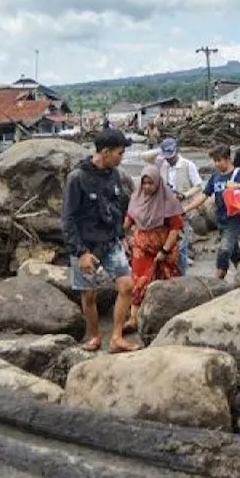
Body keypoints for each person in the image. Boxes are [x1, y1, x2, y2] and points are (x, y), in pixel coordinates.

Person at [61, 127, 140, 353]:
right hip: (86, 247)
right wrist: (80, 252)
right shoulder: (77, 178)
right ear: (105, 152)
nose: (121, 157)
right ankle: (94, 336)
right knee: (89, 295)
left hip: (110, 242)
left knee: (126, 286)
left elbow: (116, 209)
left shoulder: (114, 175)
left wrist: (123, 236)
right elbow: (67, 218)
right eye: (119, 153)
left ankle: (116, 337)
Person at [122, 164, 185, 332]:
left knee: (163, 281)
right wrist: (121, 236)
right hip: (141, 248)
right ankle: (134, 318)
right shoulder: (137, 198)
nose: (147, 187)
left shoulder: (168, 200)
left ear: (158, 183)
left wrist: (164, 251)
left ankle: (163, 318)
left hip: (164, 249)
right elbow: (129, 220)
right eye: (144, 183)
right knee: (138, 280)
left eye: (151, 183)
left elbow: (175, 228)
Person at [186, 145, 240, 281]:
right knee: (234, 251)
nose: (216, 164)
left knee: (224, 251)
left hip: (234, 221)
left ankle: (218, 279)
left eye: (219, 160)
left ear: (227, 159)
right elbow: (204, 195)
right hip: (220, 220)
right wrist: (186, 209)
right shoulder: (215, 177)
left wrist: (238, 185)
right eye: (215, 161)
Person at [154, 137, 203, 274]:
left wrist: (184, 195)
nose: (169, 159)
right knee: (166, 243)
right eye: (166, 157)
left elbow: (198, 186)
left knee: (181, 245)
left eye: (171, 156)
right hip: (165, 210)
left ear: (177, 151)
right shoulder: (161, 165)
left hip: (183, 209)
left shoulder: (188, 165)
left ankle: (181, 273)